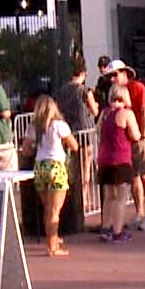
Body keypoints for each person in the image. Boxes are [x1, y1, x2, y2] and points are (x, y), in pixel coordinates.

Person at [29, 94, 79, 256]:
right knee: (55, 211)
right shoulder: (59, 125)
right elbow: (75, 145)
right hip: (56, 166)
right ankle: (52, 247)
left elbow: (26, 149)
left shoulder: (33, 126)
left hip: (40, 166)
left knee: (47, 209)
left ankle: (53, 238)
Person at [54, 55, 99, 229]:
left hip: (68, 130)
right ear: (84, 73)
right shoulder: (84, 90)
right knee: (85, 165)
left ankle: (74, 198)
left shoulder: (62, 90)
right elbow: (94, 111)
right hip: (84, 130)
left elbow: (57, 109)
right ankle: (84, 197)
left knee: (72, 166)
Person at [95, 86, 143, 243]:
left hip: (104, 160)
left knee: (109, 196)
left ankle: (105, 228)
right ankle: (117, 231)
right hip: (120, 159)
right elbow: (135, 135)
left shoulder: (104, 113)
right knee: (121, 198)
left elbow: (98, 131)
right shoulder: (126, 114)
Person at [113, 62, 145, 231]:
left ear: (124, 73)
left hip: (141, 138)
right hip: (129, 139)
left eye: (115, 75)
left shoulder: (137, 87)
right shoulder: (117, 92)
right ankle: (139, 212)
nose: (113, 79)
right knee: (134, 176)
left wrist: (144, 137)